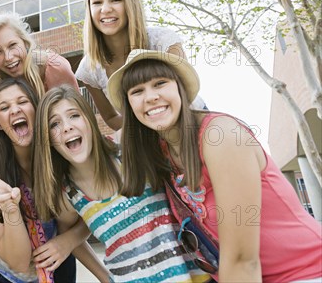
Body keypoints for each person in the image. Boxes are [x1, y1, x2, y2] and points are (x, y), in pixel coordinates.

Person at [107, 49, 322, 282]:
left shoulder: (220, 135)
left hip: (306, 271)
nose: (150, 97)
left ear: (180, 88)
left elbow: (243, 260)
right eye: (137, 91)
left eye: (160, 83)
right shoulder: (161, 154)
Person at [33, 85, 210, 282]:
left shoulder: (126, 145)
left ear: (89, 120)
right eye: (54, 124)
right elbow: (68, 232)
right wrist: (105, 278)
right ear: (47, 139)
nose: (66, 127)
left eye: (74, 115)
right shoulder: (68, 195)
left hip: (195, 275)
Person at [0, 78, 109, 283]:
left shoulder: (63, 161)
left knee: (65, 259)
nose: (15, 110)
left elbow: (88, 215)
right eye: (4, 107)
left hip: (44, 267)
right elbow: (17, 261)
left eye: (22, 101)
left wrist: (68, 242)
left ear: (38, 111)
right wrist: (10, 210)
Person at [75, 0, 205, 132]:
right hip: (144, 137)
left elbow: (186, 94)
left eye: (115, 0)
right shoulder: (89, 68)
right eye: (97, 2)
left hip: (190, 124)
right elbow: (111, 118)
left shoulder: (164, 42)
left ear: (130, 4)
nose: (106, 9)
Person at [0, 13, 79, 127]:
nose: (8, 57)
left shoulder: (55, 68)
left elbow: (77, 116)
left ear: (25, 42)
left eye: (12, 45)